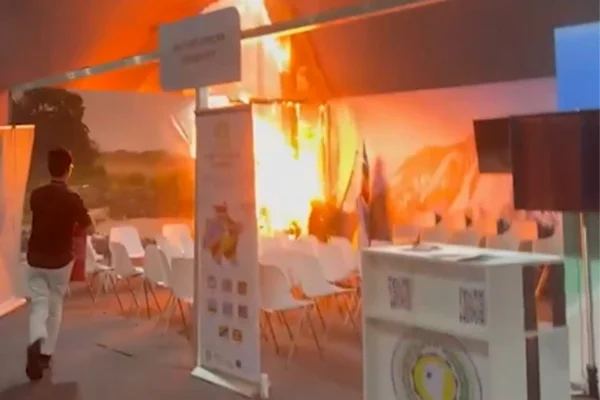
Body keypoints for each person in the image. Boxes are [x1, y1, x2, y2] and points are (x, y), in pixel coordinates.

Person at [25, 148, 94, 381]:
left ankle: (35, 340)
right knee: (55, 307)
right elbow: (89, 227)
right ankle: (45, 354)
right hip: (60, 262)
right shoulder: (73, 199)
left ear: (49, 168)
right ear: (69, 169)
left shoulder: (36, 195)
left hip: (35, 258)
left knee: (38, 305)